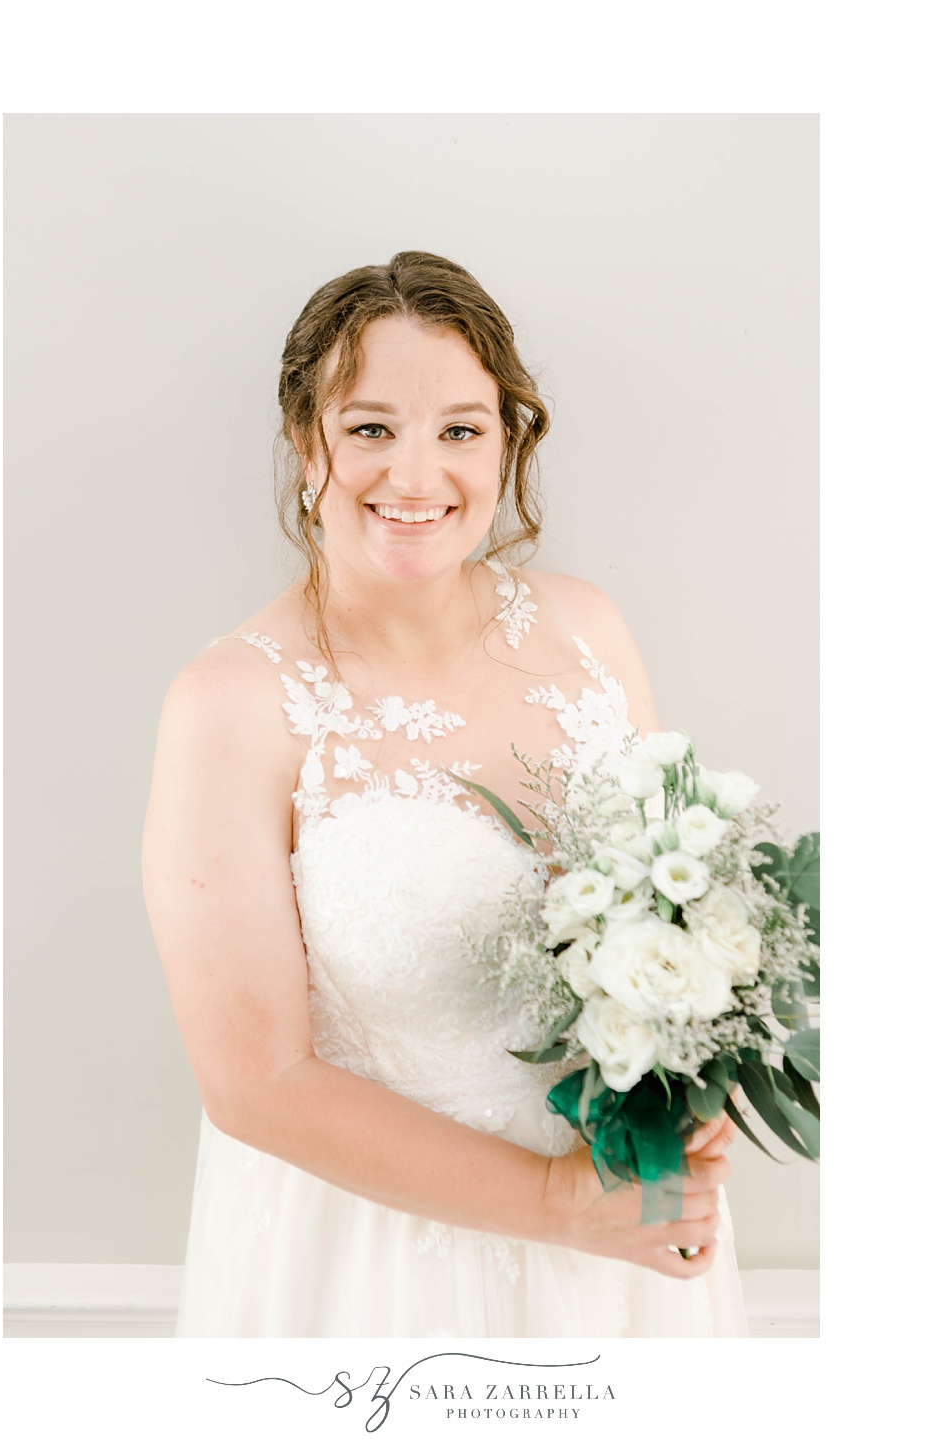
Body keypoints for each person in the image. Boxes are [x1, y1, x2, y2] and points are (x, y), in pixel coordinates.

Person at [142, 251, 749, 1336]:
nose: (416, 475)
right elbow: (254, 1081)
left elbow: (681, 938)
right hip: (377, 1266)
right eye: (370, 427)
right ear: (303, 442)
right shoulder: (231, 703)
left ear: (508, 437)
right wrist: (556, 1205)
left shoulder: (587, 627)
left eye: (459, 429)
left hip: (620, 1239)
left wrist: (676, 1146)